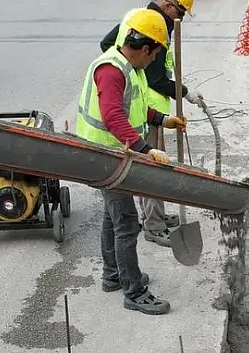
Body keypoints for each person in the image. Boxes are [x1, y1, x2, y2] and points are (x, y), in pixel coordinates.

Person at [76, 8, 187, 315]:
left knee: (112, 217)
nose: (153, 62)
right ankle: (133, 291)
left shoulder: (129, 67)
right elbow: (112, 116)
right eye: (153, 56)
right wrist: (143, 147)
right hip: (106, 156)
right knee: (126, 223)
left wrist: (165, 120)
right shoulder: (112, 71)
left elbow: (135, 109)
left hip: (111, 154)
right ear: (145, 48)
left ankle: (114, 275)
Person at [99, 0, 202, 248]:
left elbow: (107, 44)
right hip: (131, 128)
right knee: (152, 172)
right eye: (179, 13)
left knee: (122, 205)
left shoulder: (142, 22)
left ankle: (155, 217)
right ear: (168, 5)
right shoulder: (150, 29)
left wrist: (161, 117)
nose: (180, 20)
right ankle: (154, 226)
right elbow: (155, 79)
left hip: (146, 113)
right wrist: (183, 92)